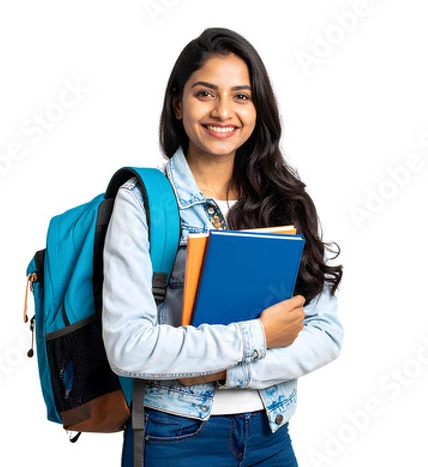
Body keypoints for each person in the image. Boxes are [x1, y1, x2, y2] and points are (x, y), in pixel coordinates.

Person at [102, 27, 343, 467]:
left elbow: (325, 333)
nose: (222, 111)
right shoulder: (142, 202)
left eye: (241, 96)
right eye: (205, 93)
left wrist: (230, 371)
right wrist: (259, 336)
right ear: (178, 103)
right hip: (174, 437)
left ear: (258, 108)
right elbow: (128, 347)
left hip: (271, 435)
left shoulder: (283, 201)